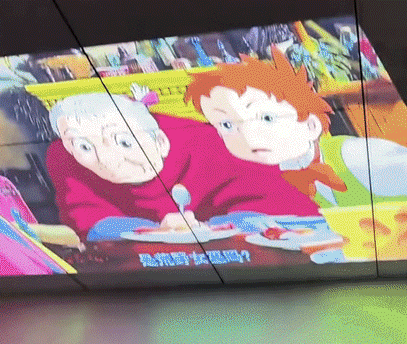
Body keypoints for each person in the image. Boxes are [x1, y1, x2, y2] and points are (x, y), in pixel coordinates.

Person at [45, 89, 320, 242]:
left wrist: (210, 228)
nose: (108, 161)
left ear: (161, 141)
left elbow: (280, 208)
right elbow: (86, 221)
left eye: (124, 143)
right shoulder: (63, 156)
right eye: (85, 147)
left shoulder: (209, 143)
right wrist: (148, 231)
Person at [184, 47, 407, 208]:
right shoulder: (271, 176)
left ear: (311, 124)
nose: (249, 136)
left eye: (267, 118)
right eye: (227, 125)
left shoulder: (358, 157)